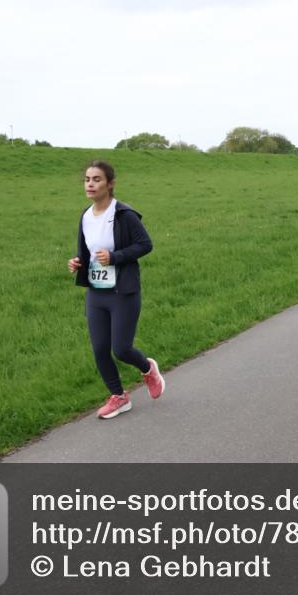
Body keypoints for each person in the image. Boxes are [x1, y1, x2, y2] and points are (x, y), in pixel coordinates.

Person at [67, 160, 165, 419]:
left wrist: (116, 257)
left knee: (121, 349)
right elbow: (87, 251)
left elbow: (145, 245)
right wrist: (78, 262)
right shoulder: (86, 216)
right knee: (100, 349)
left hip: (123, 291)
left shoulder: (124, 214)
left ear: (110, 184)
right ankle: (119, 397)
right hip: (97, 292)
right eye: (87, 179)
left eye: (97, 179)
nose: (90, 184)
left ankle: (148, 369)